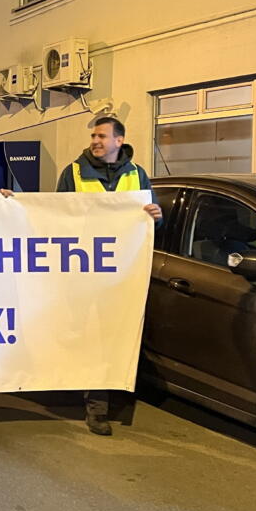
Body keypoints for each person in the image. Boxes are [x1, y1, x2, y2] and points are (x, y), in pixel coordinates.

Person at [49, 115, 162, 437]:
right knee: (78, 334)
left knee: (104, 339)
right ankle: (61, 382)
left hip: (120, 274)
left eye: (101, 136)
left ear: (118, 141)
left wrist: (156, 216)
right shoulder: (73, 173)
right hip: (81, 272)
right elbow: (54, 217)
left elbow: (152, 221)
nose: (95, 141)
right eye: (93, 137)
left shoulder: (137, 175)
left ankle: (97, 408)